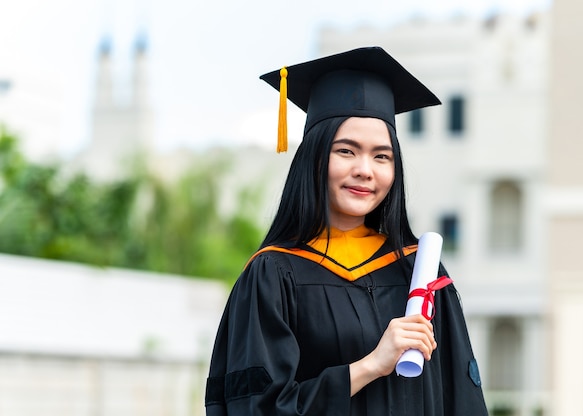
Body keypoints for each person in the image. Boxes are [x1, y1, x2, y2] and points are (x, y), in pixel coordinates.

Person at [204, 46, 488, 415]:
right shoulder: (274, 274)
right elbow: (259, 407)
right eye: (346, 151)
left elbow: (462, 400)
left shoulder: (420, 272)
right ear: (314, 158)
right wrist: (371, 365)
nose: (365, 170)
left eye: (381, 156)